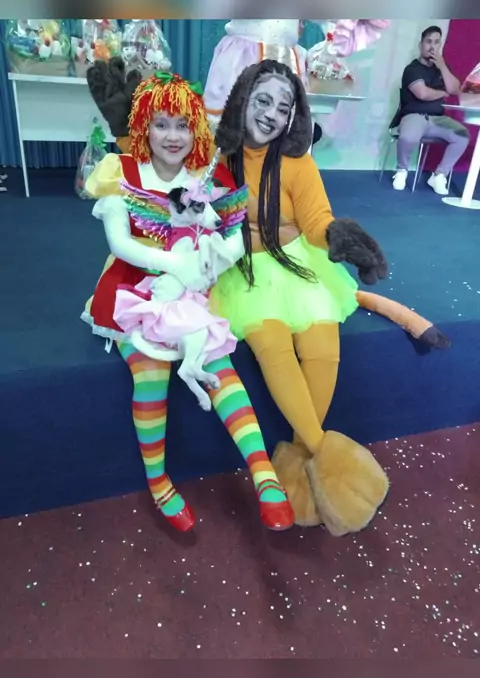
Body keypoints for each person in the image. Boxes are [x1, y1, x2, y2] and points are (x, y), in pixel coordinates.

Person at [81, 71, 295, 533]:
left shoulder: (208, 175)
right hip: (137, 291)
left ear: (196, 127)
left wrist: (211, 263)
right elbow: (121, 244)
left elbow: (234, 236)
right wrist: (173, 266)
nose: (173, 136)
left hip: (195, 287)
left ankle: (264, 475)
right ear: (144, 127)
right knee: (151, 373)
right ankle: (158, 483)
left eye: (182, 125)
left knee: (218, 362)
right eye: (161, 124)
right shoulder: (122, 171)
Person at [206, 59, 390, 535]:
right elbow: (165, 171)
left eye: (283, 107)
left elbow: (315, 220)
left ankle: (298, 462)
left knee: (322, 340)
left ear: (293, 116)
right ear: (243, 99)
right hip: (240, 268)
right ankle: (325, 455)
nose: (271, 114)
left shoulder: (297, 162)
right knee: (271, 342)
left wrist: (337, 236)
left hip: (296, 261)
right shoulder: (215, 154)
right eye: (263, 100)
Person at [393, 25, 469, 194]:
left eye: (436, 42)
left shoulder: (443, 68)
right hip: (414, 115)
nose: (432, 46)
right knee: (408, 137)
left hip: (438, 119)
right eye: (428, 42)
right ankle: (402, 171)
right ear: (421, 45)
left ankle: (439, 175)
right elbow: (423, 94)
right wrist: (442, 92)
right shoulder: (412, 69)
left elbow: (455, 89)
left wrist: (442, 67)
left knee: (462, 135)